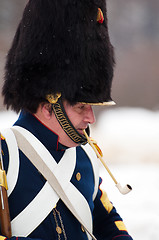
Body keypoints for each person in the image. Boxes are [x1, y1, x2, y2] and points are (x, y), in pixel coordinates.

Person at [0, 0, 133, 239]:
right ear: (47, 106)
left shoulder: (85, 158)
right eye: (82, 107)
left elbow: (107, 222)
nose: (90, 118)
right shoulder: (4, 154)